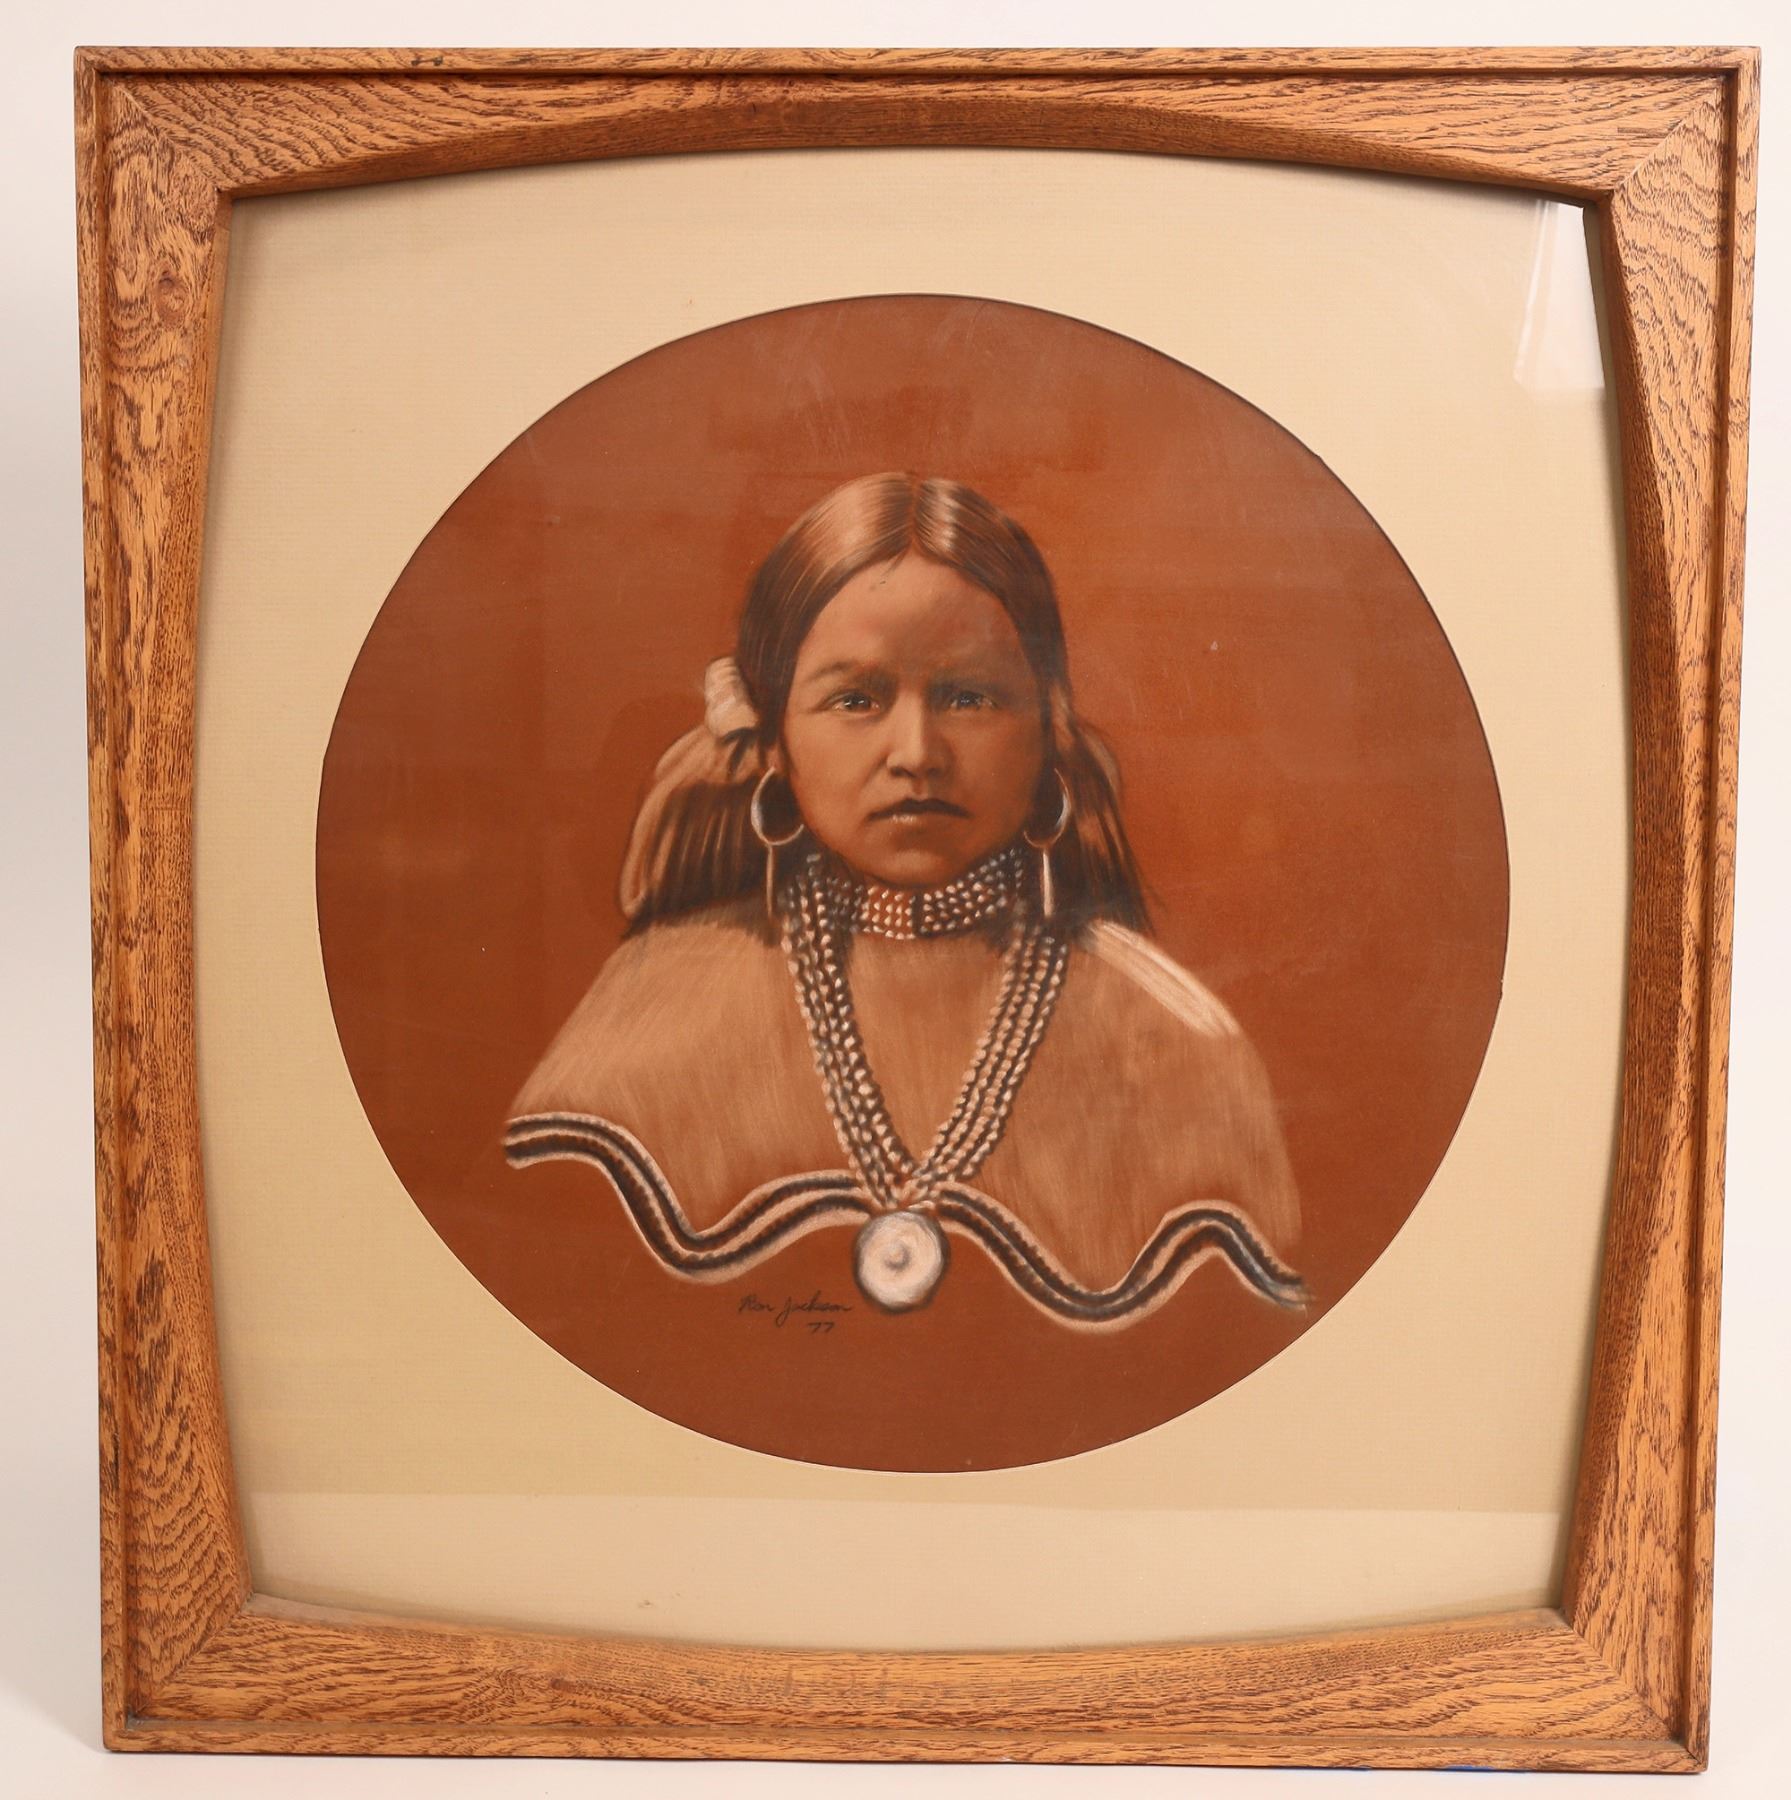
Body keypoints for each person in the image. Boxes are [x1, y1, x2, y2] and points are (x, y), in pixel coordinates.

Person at [505, 473, 1304, 1327]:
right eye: (856, 699)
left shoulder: (1176, 1044)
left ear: (1047, 728)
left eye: (969, 697)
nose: (917, 752)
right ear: (773, 738)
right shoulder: (651, 1009)